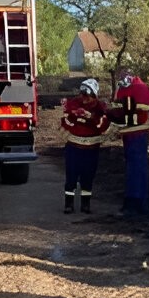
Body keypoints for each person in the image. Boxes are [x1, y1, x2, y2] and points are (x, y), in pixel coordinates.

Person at [109, 68, 149, 215]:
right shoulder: (124, 89)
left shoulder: (140, 88)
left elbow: (137, 115)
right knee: (132, 168)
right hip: (129, 135)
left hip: (138, 135)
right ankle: (132, 200)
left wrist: (116, 117)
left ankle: (138, 202)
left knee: (137, 168)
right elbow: (121, 110)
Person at [60, 79, 110, 213]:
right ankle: (68, 204)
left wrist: (90, 117)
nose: (84, 98)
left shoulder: (99, 108)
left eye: (87, 95)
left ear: (94, 95)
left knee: (88, 177)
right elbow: (65, 122)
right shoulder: (74, 104)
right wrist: (74, 116)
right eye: (82, 94)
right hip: (73, 148)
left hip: (91, 149)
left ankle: (85, 204)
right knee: (71, 176)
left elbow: (102, 126)